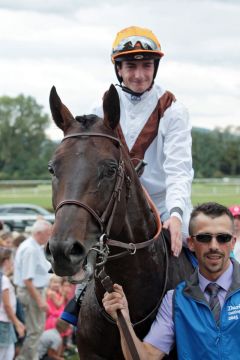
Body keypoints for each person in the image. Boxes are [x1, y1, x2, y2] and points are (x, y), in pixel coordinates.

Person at [62, 25, 194, 326]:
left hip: (161, 206)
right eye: (130, 66)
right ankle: (82, 298)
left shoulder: (173, 110)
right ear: (119, 69)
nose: (138, 74)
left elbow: (178, 169)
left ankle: (220, 304)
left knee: (204, 244)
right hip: (117, 211)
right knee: (89, 249)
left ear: (155, 68)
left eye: (146, 65)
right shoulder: (99, 110)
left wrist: (175, 214)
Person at [103, 202, 240, 359]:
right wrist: (123, 320)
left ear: (232, 242)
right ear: (191, 244)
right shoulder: (175, 300)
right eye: (204, 238)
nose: (214, 246)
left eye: (223, 238)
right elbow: (146, 357)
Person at [13, 219, 52, 360]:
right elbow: (27, 280)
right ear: (39, 233)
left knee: (35, 330)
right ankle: (26, 357)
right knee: (34, 331)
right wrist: (40, 300)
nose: (50, 236)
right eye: (48, 233)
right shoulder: (30, 249)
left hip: (34, 291)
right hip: (32, 293)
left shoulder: (34, 246)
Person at [0, 247, 25, 360]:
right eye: (11, 259)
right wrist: (17, 323)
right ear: (5, 262)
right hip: (4, 322)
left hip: (5, 322)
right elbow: (6, 305)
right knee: (6, 355)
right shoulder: (4, 280)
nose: (12, 262)